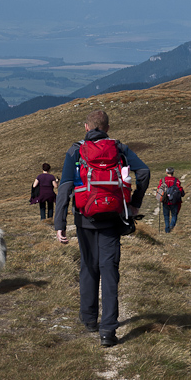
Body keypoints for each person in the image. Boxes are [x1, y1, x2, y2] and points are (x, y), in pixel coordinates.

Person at [54, 110, 150, 348]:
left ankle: (89, 319)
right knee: (109, 271)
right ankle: (108, 330)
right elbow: (144, 172)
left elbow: (65, 188)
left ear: (87, 127)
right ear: (107, 128)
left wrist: (59, 224)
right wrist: (135, 203)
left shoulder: (76, 150)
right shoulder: (119, 148)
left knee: (88, 267)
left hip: (84, 218)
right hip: (113, 219)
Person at [158, 167, 185, 233]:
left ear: (166, 172)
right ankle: (172, 226)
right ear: (173, 172)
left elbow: (159, 189)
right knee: (174, 214)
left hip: (165, 201)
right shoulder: (177, 180)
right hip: (174, 201)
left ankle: (167, 229)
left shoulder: (162, 180)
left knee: (166, 215)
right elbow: (180, 190)